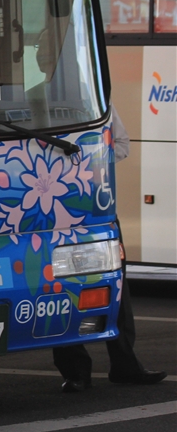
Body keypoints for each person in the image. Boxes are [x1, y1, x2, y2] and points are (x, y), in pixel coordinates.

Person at [34, 31, 167, 392]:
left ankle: (124, 363)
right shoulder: (31, 100)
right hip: (55, 210)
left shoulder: (95, 102)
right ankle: (75, 371)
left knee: (115, 284)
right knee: (61, 286)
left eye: (50, 49)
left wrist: (88, 166)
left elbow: (120, 143)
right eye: (41, 49)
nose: (43, 55)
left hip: (94, 205)